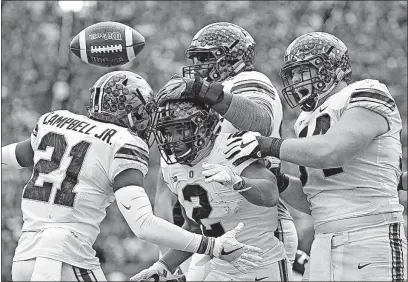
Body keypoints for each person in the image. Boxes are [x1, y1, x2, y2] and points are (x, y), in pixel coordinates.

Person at [1, 71, 262, 281]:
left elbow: (12, 156)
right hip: (67, 258)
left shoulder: (54, 120)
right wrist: (212, 246)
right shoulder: (122, 142)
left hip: (24, 258)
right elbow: (143, 225)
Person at [224, 32, 407, 281]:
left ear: (331, 68)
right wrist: (280, 180)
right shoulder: (304, 120)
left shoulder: (366, 92)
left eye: (304, 71)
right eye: (293, 74)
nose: (297, 81)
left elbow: (333, 152)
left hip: (370, 234)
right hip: (323, 243)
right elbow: (315, 199)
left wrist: (267, 145)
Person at [153, 21, 298, 279]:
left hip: (255, 221)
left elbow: (260, 121)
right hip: (214, 225)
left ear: (231, 58)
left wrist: (200, 90)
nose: (197, 67)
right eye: (195, 59)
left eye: (205, 58)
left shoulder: (246, 81)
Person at [131, 99, 290, 281]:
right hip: (220, 269)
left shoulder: (232, 148)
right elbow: (195, 227)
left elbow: (271, 194)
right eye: (168, 132)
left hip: (262, 265)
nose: (173, 140)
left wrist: (238, 182)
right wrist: (164, 266)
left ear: (203, 128)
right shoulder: (173, 168)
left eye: (180, 130)